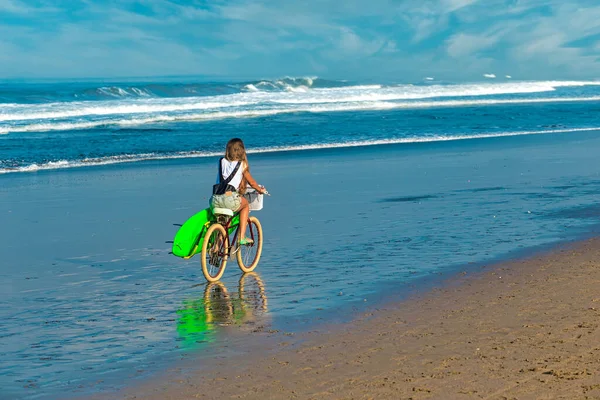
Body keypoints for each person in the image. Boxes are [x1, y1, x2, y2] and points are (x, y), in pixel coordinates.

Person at [210, 138, 267, 245]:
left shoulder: (221, 161)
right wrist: (261, 190)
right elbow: (253, 183)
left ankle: (217, 247)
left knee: (224, 222)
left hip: (214, 199)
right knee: (245, 205)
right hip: (229, 198)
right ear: (242, 151)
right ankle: (241, 237)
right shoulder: (242, 164)